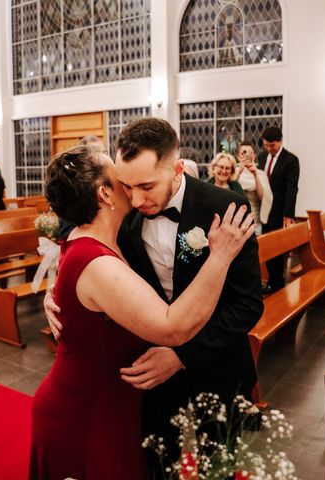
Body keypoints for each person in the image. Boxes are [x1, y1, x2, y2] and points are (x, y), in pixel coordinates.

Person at [44, 118, 264, 477]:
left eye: (147, 185)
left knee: (219, 468)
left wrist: (181, 355)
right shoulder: (124, 216)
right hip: (150, 375)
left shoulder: (225, 208)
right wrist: (55, 297)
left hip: (219, 366)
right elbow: (93, 268)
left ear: (177, 169)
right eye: (126, 186)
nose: (136, 198)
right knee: (159, 466)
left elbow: (248, 305)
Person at [256, 126, 300, 292]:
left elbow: (292, 189)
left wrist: (288, 215)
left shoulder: (290, 160)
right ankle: (270, 281)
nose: (268, 149)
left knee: (276, 247)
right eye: (266, 145)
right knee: (265, 245)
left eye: (272, 145)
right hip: (262, 210)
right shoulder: (261, 157)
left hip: (279, 211)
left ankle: (277, 283)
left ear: (280, 141)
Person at [235, 141, 273, 235]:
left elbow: (264, 198)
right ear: (238, 156)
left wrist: (255, 175)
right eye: (244, 152)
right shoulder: (233, 172)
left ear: (254, 156)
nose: (247, 155)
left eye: (250, 153)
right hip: (235, 222)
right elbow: (229, 189)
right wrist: (239, 171)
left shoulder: (261, 174)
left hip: (254, 222)